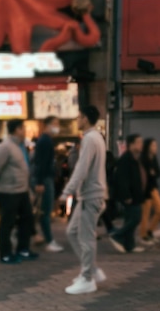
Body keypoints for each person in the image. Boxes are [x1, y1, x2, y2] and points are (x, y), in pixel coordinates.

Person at [59, 105, 108, 295]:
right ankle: (91, 270)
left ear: (85, 119)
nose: (76, 120)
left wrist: (66, 192)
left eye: (79, 117)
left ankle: (88, 278)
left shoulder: (90, 139)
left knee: (86, 238)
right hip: (90, 195)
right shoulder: (96, 138)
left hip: (90, 195)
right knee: (72, 232)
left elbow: (81, 168)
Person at [0, 120, 39, 264]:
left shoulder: (19, 146)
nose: (25, 131)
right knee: (7, 222)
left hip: (22, 190)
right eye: (23, 128)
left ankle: (23, 249)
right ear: (17, 130)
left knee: (27, 219)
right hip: (8, 191)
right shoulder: (6, 147)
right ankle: (5, 253)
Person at [109, 134, 147, 253]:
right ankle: (117, 235)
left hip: (136, 194)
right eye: (138, 142)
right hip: (129, 195)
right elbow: (122, 179)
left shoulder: (135, 158)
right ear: (131, 145)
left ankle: (129, 245)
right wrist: (126, 195)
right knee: (135, 218)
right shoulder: (126, 159)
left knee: (130, 219)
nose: (141, 145)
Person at [33, 116, 64, 253]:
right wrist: (40, 182)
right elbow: (41, 163)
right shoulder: (45, 141)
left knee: (42, 211)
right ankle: (49, 240)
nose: (57, 127)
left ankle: (36, 236)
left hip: (44, 179)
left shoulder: (45, 141)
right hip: (44, 179)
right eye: (55, 124)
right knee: (45, 211)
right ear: (47, 125)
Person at [139, 138, 160, 245]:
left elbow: (158, 172)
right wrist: (151, 173)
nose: (155, 148)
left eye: (156, 145)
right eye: (153, 145)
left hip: (153, 188)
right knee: (146, 213)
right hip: (145, 190)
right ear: (148, 147)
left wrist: (154, 173)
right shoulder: (143, 159)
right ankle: (144, 235)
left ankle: (150, 231)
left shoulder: (153, 158)